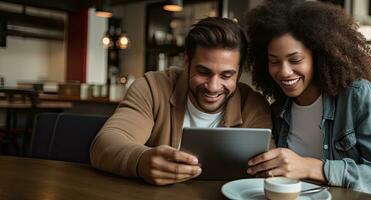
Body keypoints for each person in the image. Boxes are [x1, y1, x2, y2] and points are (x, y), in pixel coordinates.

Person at [245, 1, 371, 199]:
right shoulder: (278, 110)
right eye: (274, 61)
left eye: (295, 60)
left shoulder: (357, 96)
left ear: (319, 56)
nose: (284, 71)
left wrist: (312, 168)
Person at [90, 17, 271, 186]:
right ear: (186, 62)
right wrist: (140, 161)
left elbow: (266, 166)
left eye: (226, 75)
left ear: (238, 73)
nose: (213, 86)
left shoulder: (253, 105)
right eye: (203, 72)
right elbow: (104, 144)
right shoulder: (152, 87)